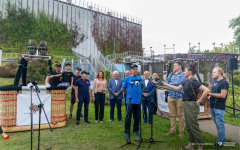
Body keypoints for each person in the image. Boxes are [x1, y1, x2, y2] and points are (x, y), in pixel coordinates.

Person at [163, 63, 209, 150]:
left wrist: (199, 100)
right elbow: (177, 88)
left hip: (191, 105)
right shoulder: (186, 81)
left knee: (194, 127)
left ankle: (200, 147)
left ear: (190, 72)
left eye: (185, 71)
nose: (184, 72)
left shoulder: (194, 81)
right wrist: (166, 84)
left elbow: (206, 90)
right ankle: (190, 145)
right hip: (185, 104)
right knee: (188, 126)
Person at [164, 61, 187, 137]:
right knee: (172, 114)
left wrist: (169, 84)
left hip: (179, 97)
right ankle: (172, 130)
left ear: (180, 66)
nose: (173, 67)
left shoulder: (183, 74)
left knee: (181, 115)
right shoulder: (171, 74)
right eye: (173, 65)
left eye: (175, 65)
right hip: (170, 96)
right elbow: (166, 82)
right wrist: (168, 84)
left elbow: (179, 83)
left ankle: (181, 132)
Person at [208, 67, 229, 147]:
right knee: (217, 124)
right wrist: (210, 97)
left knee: (220, 124)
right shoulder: (215, 82)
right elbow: (214, 93)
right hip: (212, 106)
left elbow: (223, 95)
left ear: (219, 73)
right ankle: (222, 139)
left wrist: (211, 94)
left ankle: (220, 142)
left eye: (214, 72)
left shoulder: (224, 82)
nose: (212, 73)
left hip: (219, 107)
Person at [122, 64, 144, 138]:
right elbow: (123, 89)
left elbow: (142, 88)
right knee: (128, 116)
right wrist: (128, 94)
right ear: (131, 70)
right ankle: (127, 131)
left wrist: (138, 94)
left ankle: (136, 130)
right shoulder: (127, 79)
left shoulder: (140, 79)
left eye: (136, 69)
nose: (135, 70)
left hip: (138, 101)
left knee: (137, 117)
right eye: (134, 69)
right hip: (129, 101)